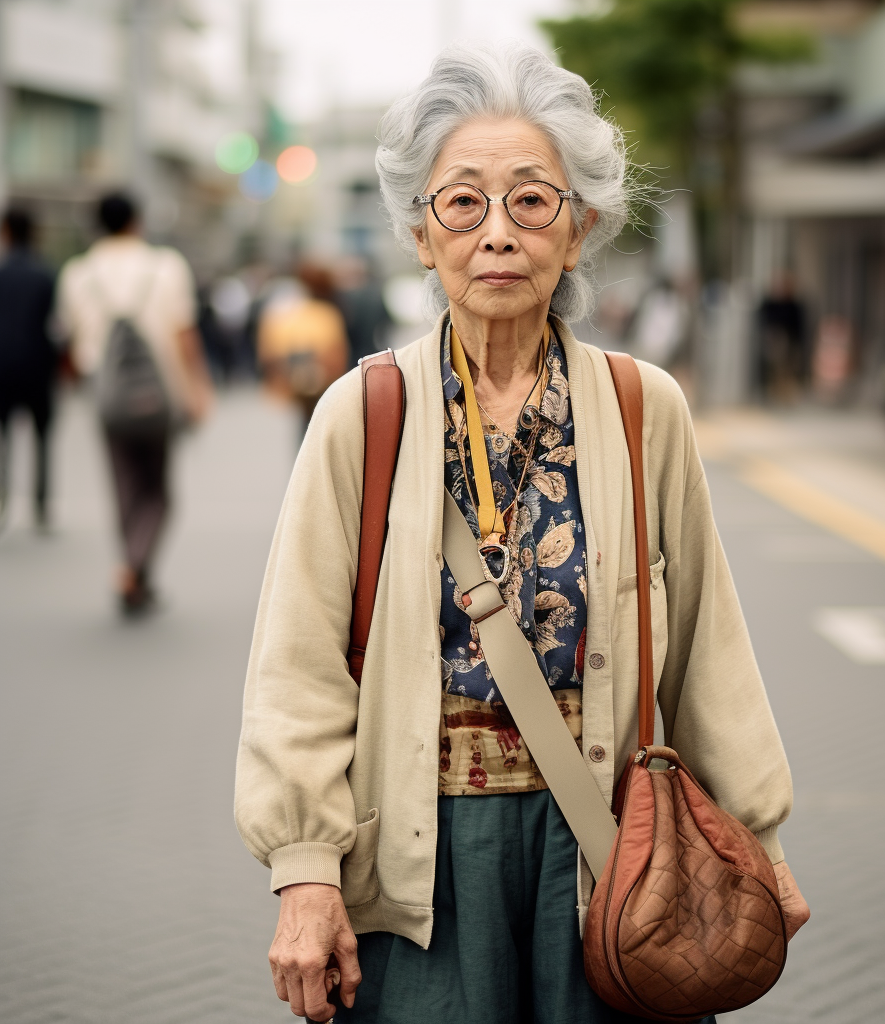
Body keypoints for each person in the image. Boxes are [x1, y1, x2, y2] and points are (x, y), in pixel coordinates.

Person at [234, 43, 808, 1024]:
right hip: (418, 860)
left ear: (577, 231)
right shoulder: (361, 414)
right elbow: (298, 668)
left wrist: (755, 838)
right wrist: (304, 869)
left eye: (532, 201)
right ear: (422, 233)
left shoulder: (641, 408)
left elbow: (707, 645)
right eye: (462, 202)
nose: (497, 231)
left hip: (607, 852)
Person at [57, 192, 212, 614]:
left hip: (106, 394)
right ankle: (133, 567)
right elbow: (184, 335)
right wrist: (199, 388)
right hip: (161, 393)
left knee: (123, 485)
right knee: (158, 492)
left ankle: (133, 570)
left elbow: (70, 343)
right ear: (137, 222)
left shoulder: (77, 273)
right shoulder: (165, 266)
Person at [0, 208, 57, 529]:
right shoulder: (45, 274)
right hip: (37, 364)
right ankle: (41, 503)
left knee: (3, 438)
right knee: (43, 438)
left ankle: (3, 497)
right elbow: (56, 325)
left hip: (2, 366)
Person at [257, 261, 349, 436]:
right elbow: (336, 353)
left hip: (298, 378)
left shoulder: (285, 312)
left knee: (307, 429)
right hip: (323, 380)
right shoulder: (327, 313)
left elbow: (271, 351)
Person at [756, 271, 807, 402]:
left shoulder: (793, 305)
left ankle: (786, 395)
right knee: (776, 368)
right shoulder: (771, 304)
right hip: (775, 340)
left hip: (790, 341)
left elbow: (799, 326)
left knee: (788, 369)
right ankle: (776, 393)